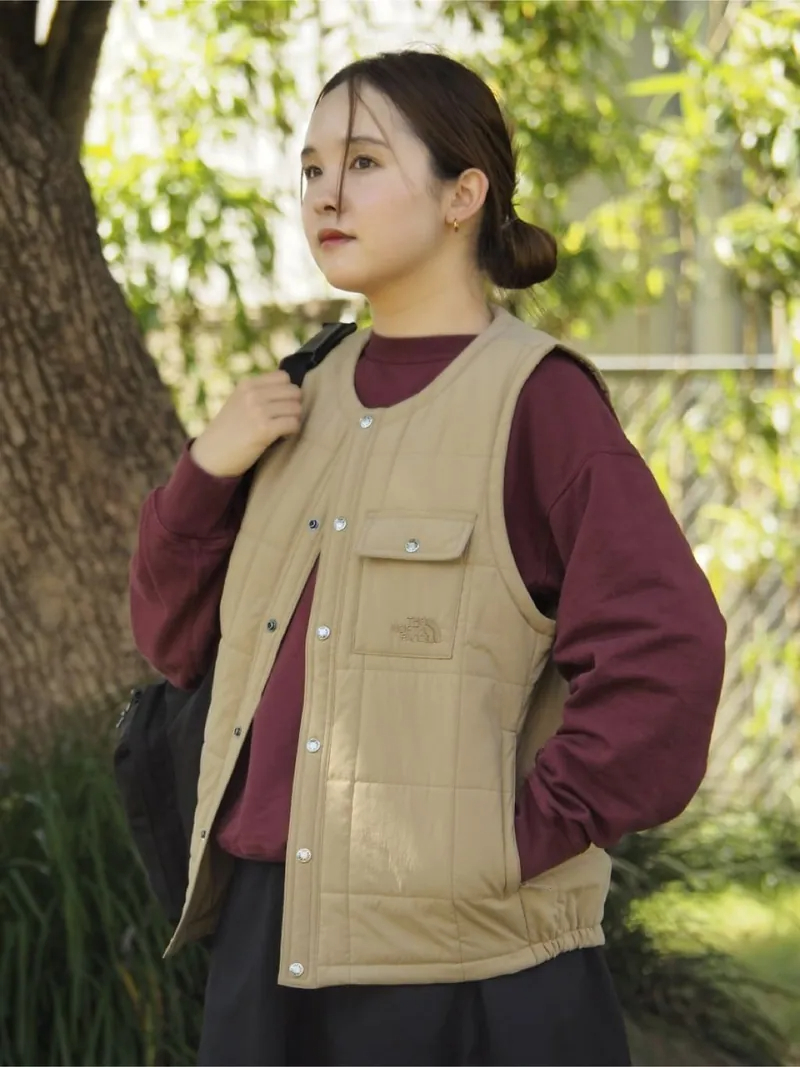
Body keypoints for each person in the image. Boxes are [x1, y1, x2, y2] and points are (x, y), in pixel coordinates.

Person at [130, 49, 727, 1067]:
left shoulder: (538, 403)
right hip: (266, 945)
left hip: (467, 973)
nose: (326, 194)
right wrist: (206, 468)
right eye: (311, 168)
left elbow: (667, 652)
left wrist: (511, 840)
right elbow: (173, 641)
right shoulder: (294, 398)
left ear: (463, 195)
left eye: (363, 162)